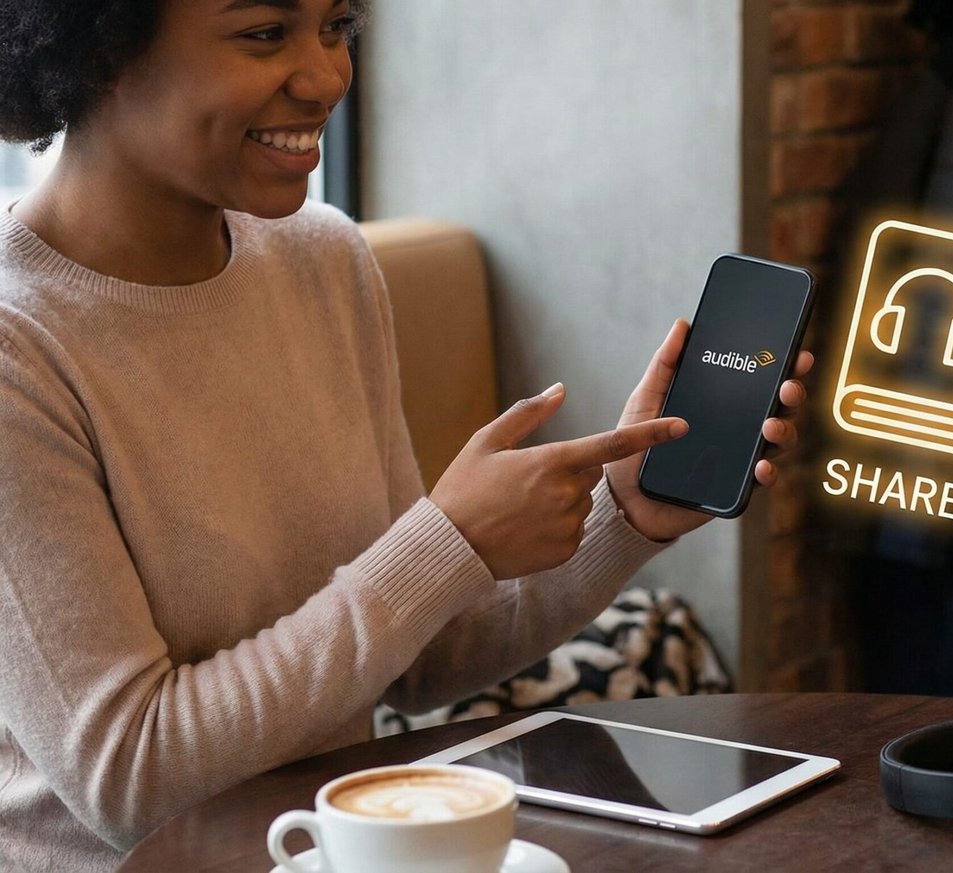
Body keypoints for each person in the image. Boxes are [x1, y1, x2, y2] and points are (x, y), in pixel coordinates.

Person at [0, 1, 812, 869]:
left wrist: (624, 512)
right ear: (99, 51)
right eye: (265, 33)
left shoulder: (323, 259)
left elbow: (419, 655)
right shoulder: (21, 346)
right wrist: (444, 539)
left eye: (338, 26)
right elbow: (130, 779)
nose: (324, 78)